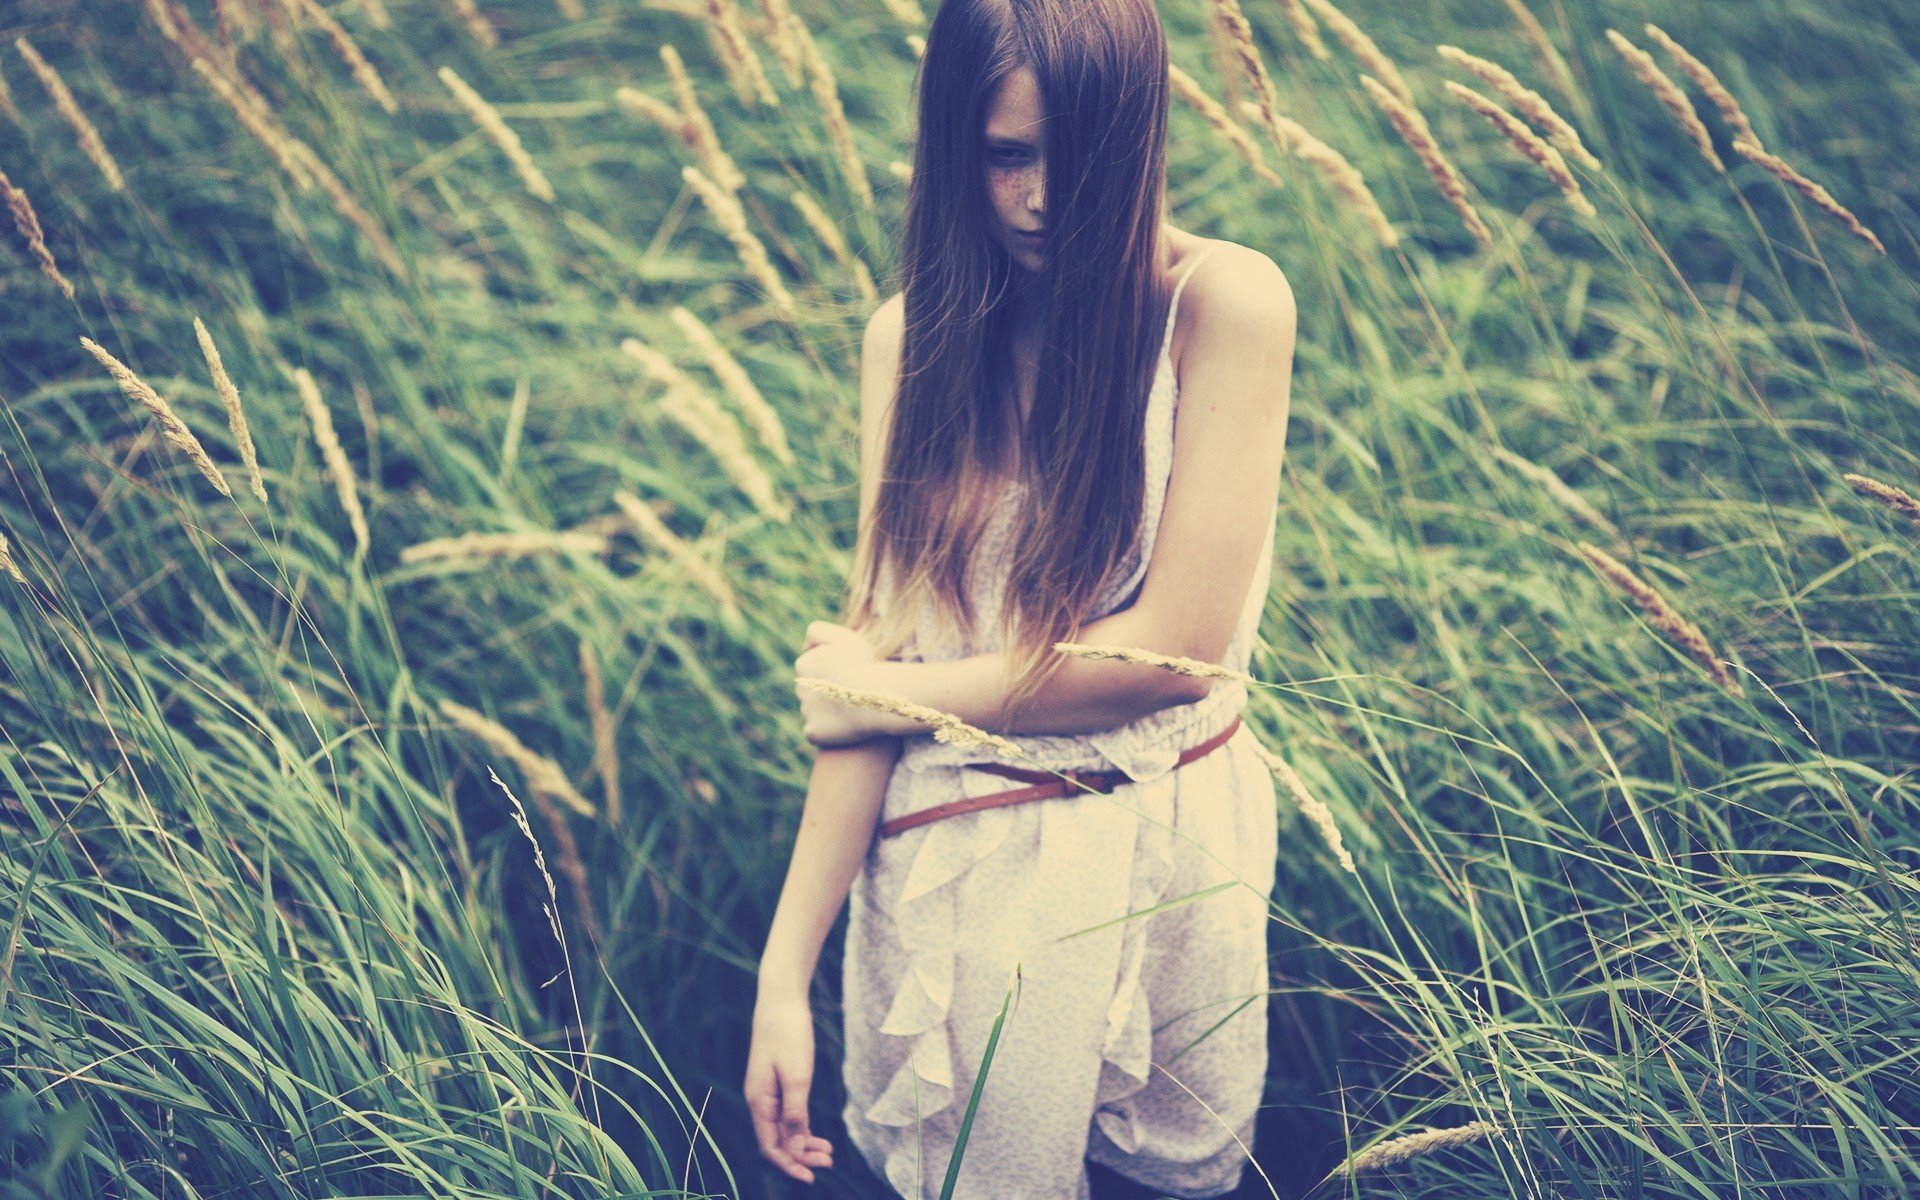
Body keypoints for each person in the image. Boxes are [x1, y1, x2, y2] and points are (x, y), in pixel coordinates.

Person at [743, 0, 1295, 1193]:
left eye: (1074, 153)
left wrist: (884, 695)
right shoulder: (915, 342)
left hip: (1163, 867)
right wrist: (786, 974)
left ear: (1138, 134)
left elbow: (1170, 658)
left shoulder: (1224, 305)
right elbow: (874, 680)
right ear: (956, 148)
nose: (1042, 195)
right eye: (1005, 155)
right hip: (956, 877)